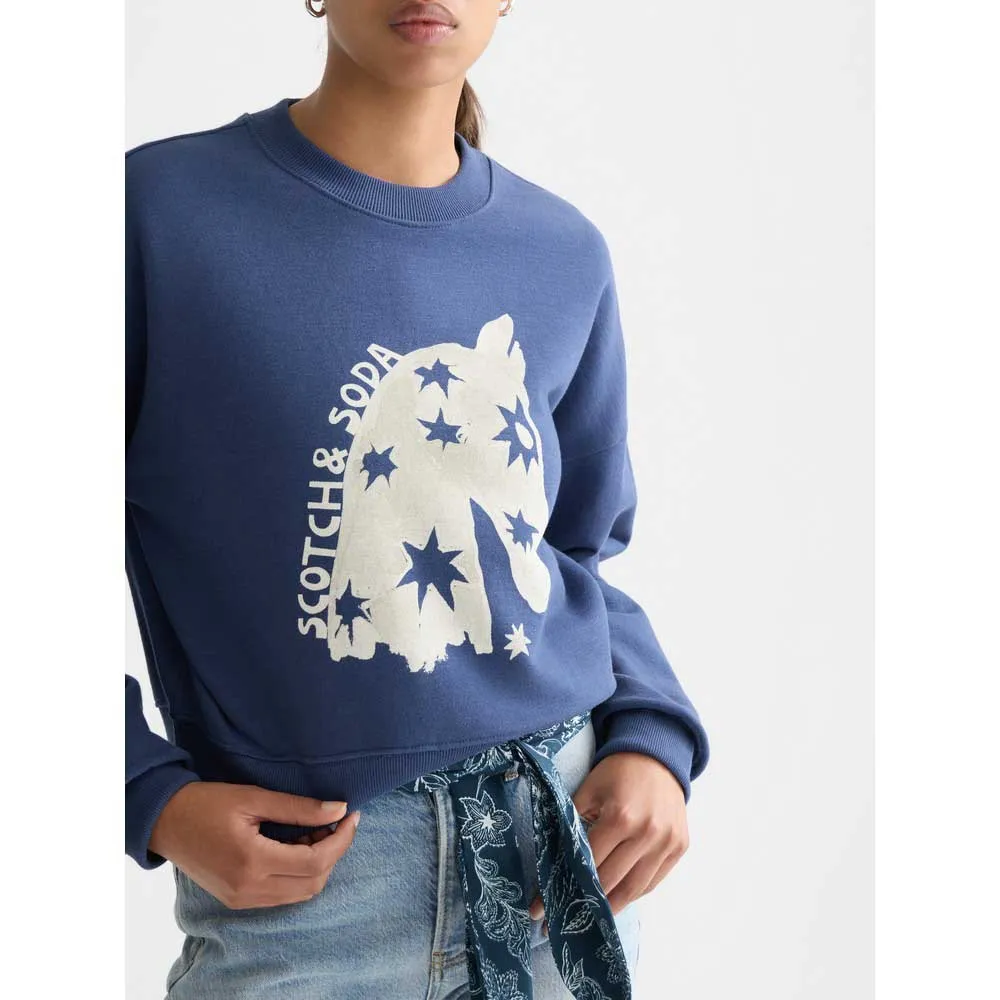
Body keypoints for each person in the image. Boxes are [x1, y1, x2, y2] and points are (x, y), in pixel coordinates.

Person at [125, 1, 710, 996]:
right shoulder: (152, 215)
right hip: (299, 905)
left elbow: (574, 553)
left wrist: (654, 736)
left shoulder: (560, 252)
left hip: (555, 853)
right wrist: (146, 794)